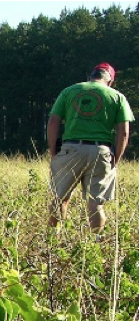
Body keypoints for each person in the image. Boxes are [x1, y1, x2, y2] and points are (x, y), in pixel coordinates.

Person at [47, 62, 134, 231]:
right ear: (110, 81)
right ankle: (95, 243)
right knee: (96, 203)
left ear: (91, 76)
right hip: (101, 151)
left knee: (60, 198)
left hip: (70, 148)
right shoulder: (117, 97)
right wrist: (116, 158)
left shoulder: (69, 91)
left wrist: (53, 151)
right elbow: (123, 133)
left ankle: (52, 242)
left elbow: (53, 122)